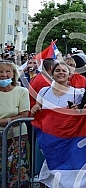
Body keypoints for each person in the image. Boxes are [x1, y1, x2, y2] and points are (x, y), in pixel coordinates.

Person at [0, 60, 30, 188]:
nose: (4, 75)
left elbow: (24, 115)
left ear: (13, 74)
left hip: (17, 138)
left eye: (7, 71)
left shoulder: (22, 91)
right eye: (0, 72)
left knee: (16, 170)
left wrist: (3, 122)